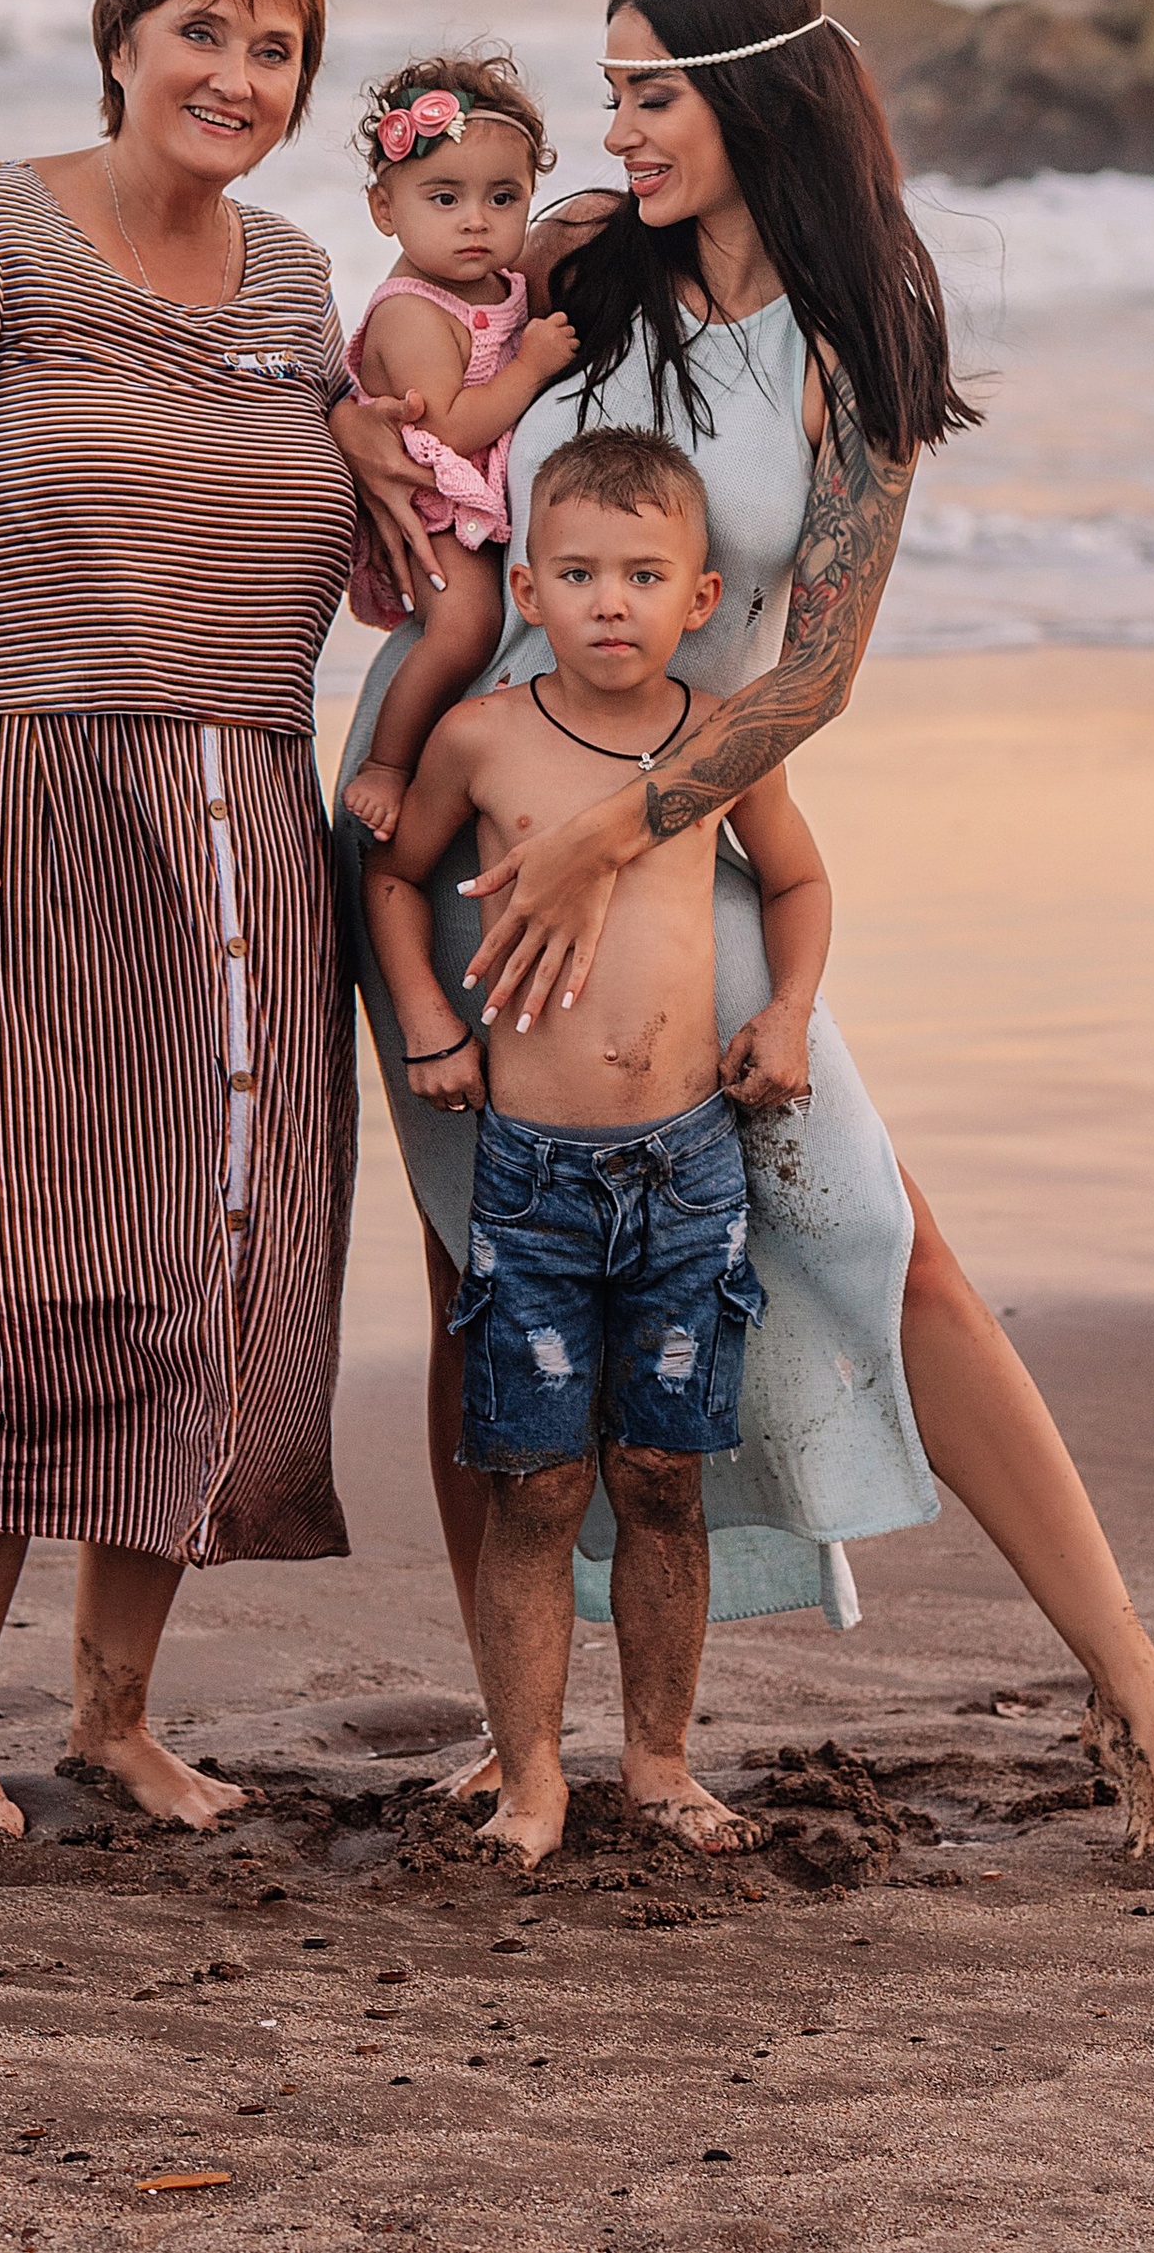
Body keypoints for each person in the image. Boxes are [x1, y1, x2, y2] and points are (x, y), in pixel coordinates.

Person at [339, 0, 1154, 1866]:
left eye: (656, 88)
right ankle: (525, 1740)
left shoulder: (853, 344)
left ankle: (1134, 1680)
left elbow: (812, 668)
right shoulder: (577, 260)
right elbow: (410, 395)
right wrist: (364, 469)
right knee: (483, 1276)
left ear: (760, 92)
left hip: (680, 829)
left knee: (877, 1232)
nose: (622, 125)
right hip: (479, 828)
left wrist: (632, 823)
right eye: (616, 87)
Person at [0, 0, 411, 1842]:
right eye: (203, 34)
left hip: (247, 807)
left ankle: (115, 1718)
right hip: (18, 804)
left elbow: (394, 517)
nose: (237, 78)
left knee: (216, 1265)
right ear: (121, 43)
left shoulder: (301, 279)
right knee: (36, 1257)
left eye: (276, 50)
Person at [366, 426, 828, 1865]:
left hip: (688, 1166)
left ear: (699, 597)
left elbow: (800, 878)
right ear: (528, 585)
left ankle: (662, 1763)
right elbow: (393, 877)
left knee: (659, 1478)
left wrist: (792, 1015)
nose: (608, 601)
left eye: (642, 574)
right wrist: (431, 1024)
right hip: (533, 1174)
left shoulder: (717, 737)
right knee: (538, 1483)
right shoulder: (485, 735)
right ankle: (530, 1781)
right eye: (577, 572)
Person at [339, 50, 581, 845]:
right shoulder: (413, 310)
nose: (476, 220)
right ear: (386, 207)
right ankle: (388, 763)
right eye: (444, 197)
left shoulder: (500, 284)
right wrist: (537, 365)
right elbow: (447, 428)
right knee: (466, 627)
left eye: (502, 197)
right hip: (436, 498)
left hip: (478, 491)